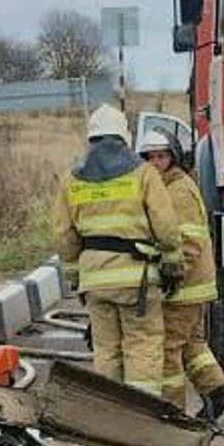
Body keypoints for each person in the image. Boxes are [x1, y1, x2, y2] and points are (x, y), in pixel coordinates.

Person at [62, 105, 182, 398]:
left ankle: (111, 417)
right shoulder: (142, 174)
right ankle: (142, 420)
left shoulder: (71, 179)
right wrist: (172, 264)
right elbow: (166, 226)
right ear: (124, 137)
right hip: (135, 281)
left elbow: (64, 235)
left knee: (106, 352)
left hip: (95, 281)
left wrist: (75, 277)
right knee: (143, 348)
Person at [138, 127, 224, 421]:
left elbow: (189, 241)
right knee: (192, 343)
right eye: (150, 157)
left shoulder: (176, 190)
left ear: (174, 157)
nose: (155, 163)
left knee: (168, 347)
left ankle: (172, 413)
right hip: (194, 286)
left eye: (161, 156)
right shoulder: (170, 185)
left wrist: (173, 276)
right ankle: (217, 390)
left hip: (184, 287)